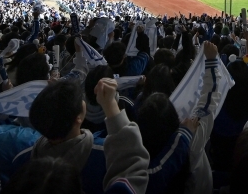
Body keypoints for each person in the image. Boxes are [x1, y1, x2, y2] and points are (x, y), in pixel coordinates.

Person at [11, 78, 150, 194]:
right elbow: (130, 168)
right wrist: (110, 103)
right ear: (78, 118)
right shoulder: (106, 155)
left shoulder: (21, 162)